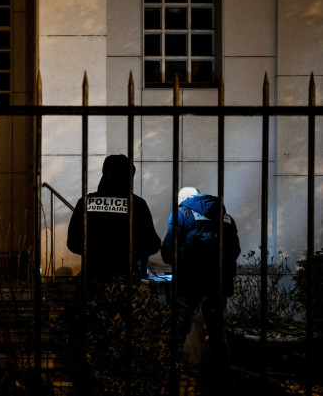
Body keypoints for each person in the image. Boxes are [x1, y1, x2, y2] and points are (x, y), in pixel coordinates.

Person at [160, 187, 241, 375]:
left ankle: (171, 371)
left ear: (182, 200)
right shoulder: (225, 216)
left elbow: (167, 252)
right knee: (218, 332)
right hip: (218, 283)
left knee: (178, 330)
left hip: (190, 284)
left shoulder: (180, 213)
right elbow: (234, 250)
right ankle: (222, 375)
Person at [67, 154, 161, 285]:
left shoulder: (85, 202)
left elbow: (73, 242)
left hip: (93, 277)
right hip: (126, 279)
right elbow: (151, 244)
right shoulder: (137, 204)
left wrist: (95, 251)